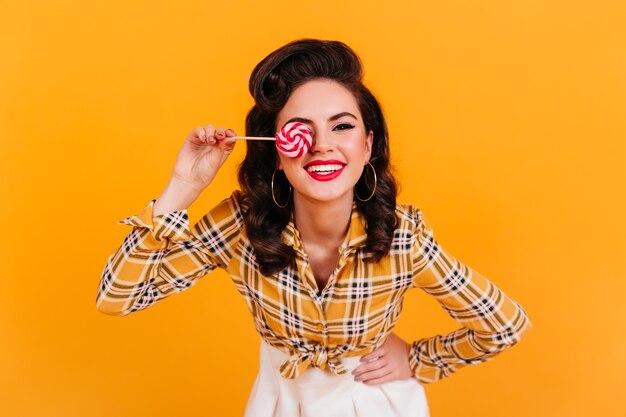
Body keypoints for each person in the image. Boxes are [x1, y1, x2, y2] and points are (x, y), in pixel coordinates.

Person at [96, 39, 532, 416]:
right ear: (278, 153)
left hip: (374, 403)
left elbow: (505, 325)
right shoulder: (240, 225)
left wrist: (418, 358)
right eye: (300, 131)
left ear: (367, 145)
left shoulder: (403, 238)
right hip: (279, 402)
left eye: (342, 126)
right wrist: (182, 188)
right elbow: (118, 298)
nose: (323, 144)